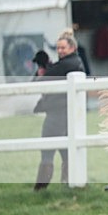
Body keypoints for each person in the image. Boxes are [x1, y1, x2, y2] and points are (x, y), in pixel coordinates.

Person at [32, 29, 86, 190]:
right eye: (58, 48)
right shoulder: (74, 63)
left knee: (47, 152)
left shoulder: (67, 64)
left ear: (72, 48)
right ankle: (69, 186)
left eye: (63, 48)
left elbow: (39, 82)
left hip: (56, 115)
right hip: (68, 115)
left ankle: (40, 189)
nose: (60, 51)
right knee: (67, 153)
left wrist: (42, 72)